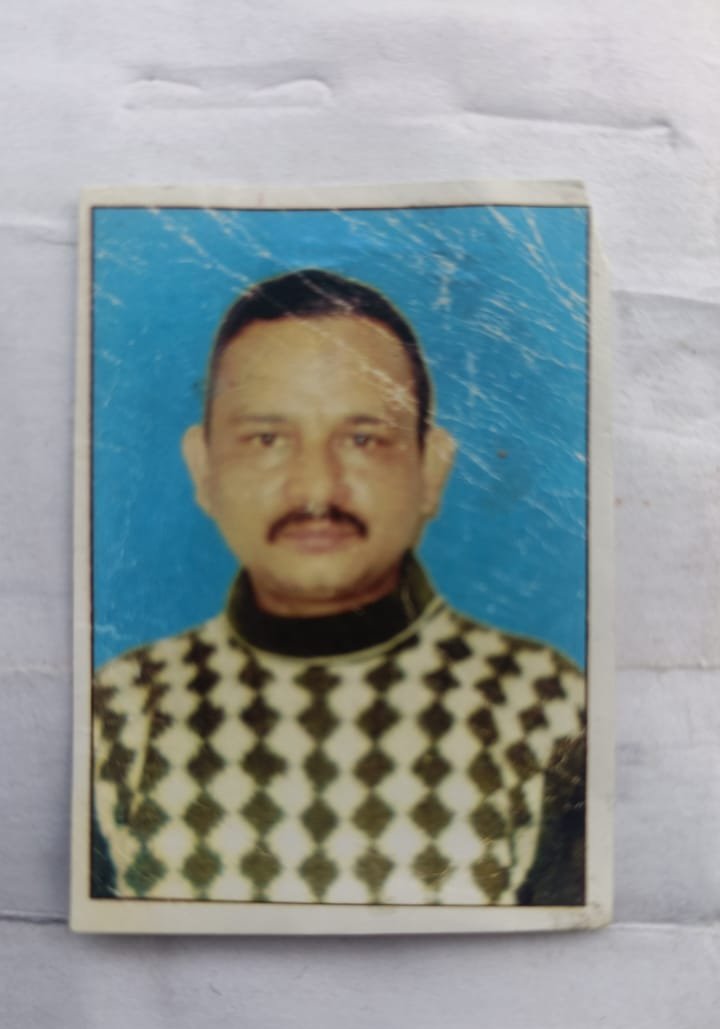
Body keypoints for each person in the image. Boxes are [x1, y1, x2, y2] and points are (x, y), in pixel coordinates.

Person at [92, 269, 586, 907]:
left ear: (431, 470)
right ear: (204, 468)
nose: (317, 489)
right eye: (267, 439)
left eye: (363, 439)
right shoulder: (119, 712)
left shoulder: (545, 707)